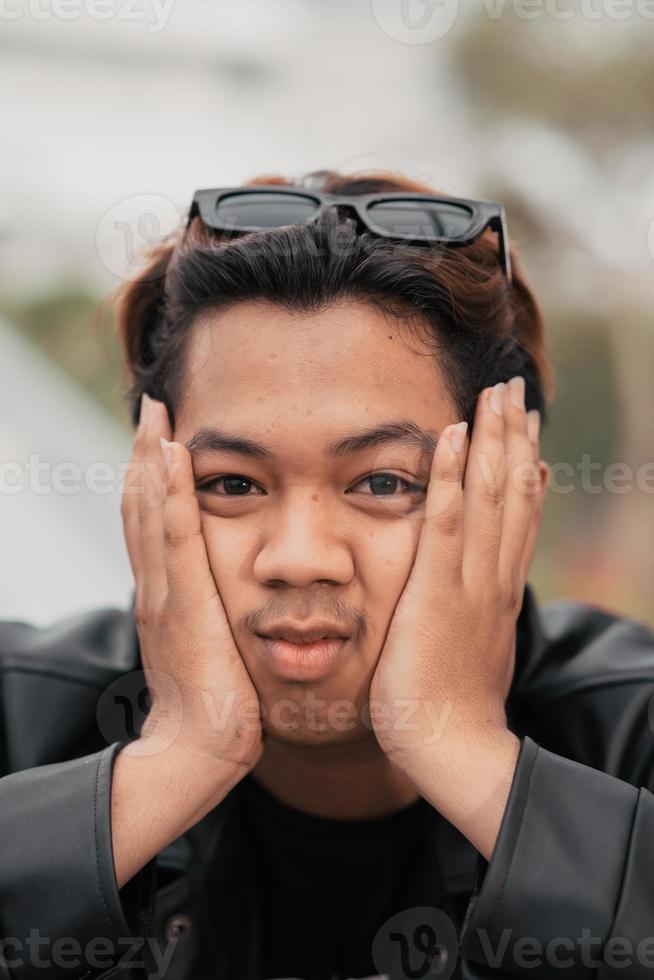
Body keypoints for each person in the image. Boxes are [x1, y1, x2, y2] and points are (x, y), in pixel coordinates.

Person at [1, 169, 653, 980]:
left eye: (383, 482)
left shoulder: (632, 729)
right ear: (148, 489)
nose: (298, 558)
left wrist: (463, 750)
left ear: (511, 498)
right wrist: (172, 762)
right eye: (231, 484)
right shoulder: (21, 714)